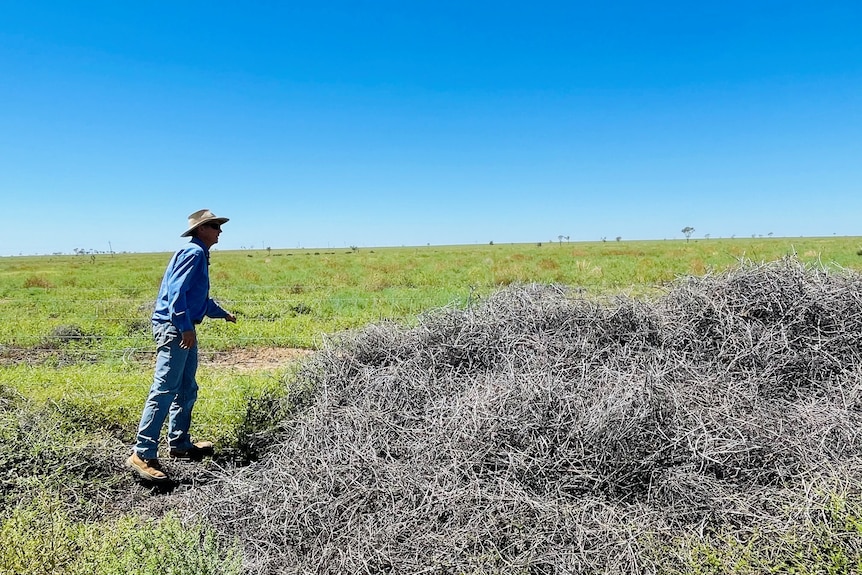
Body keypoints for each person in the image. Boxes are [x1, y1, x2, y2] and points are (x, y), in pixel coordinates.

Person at [126, 209, 237, 482]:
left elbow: (198, 300)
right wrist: (185, 327)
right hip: (175, 329)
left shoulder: (200, 254)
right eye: (214, 226)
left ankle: (180, 444)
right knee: (164, 390)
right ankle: (142, 453)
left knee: (187, 388)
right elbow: (176, 295)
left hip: (183, 329)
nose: (219, 231)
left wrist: (223, 314)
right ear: (201, 230)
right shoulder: (194, 253)